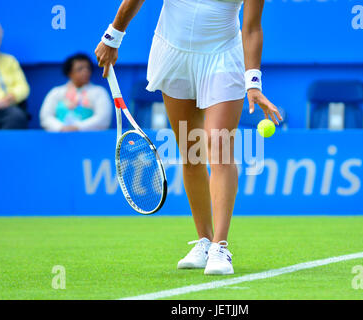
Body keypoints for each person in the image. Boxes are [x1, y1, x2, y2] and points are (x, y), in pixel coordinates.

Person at [95, 0, 283, 275]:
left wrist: (253, 83)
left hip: (222, 56)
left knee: (219, 146)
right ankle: (204, 241)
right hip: (173, 53)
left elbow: (252, 28)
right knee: (192, 152)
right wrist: (113, 36)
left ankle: (220, 246)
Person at [39, 53, 112, 132]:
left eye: (88, 68)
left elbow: (103, 119)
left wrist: (78, 127)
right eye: (80, 69)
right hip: (59, 139)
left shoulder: (99, 92)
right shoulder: (56, 92)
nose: (85, 71)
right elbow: (45, 117)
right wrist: (61, 128)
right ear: (69, 73)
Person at [0, 20, 29, 129]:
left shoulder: (10, 61)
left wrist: (10, 98)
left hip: (7, 108)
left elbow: (23, 87)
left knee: (17, 117)